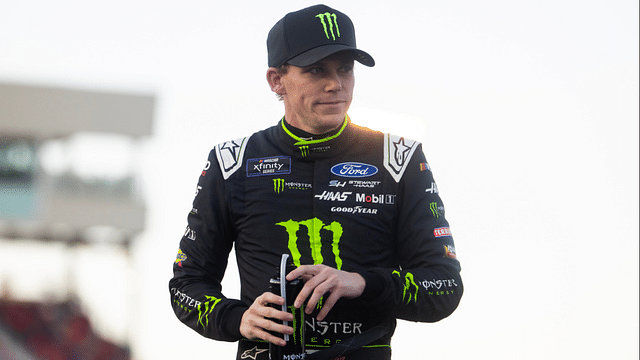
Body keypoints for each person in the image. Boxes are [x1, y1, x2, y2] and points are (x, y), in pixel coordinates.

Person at [169, 4, 463, 360]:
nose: (335, 84)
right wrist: (237, 319)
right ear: (276, 80)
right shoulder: (233, 162)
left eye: (345, 69)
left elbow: (445, 287)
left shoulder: (398, 159)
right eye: (315, 70)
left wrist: (362, 283)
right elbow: (187, 285)